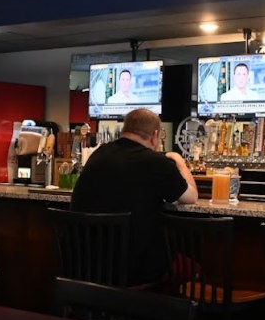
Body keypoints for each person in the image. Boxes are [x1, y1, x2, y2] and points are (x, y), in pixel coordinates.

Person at [70, 108, 198, 285]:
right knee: (191, 267)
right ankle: (159, 311)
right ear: (155, 135)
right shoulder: (156, 162)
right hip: (134, 269)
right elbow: (191, 196)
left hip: (87, 265)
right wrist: (181, 163)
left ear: (125, 130)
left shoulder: (98, 155)